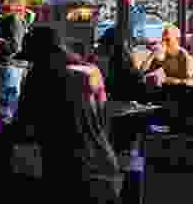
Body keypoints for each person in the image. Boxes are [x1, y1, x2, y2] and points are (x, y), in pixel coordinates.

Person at [16, 26, 122, 204]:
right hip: (106, 165)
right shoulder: (91, 70)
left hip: (71, 173)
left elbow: (23, 126)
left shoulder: (39, 76)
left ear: (40, 54)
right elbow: (103, 118)